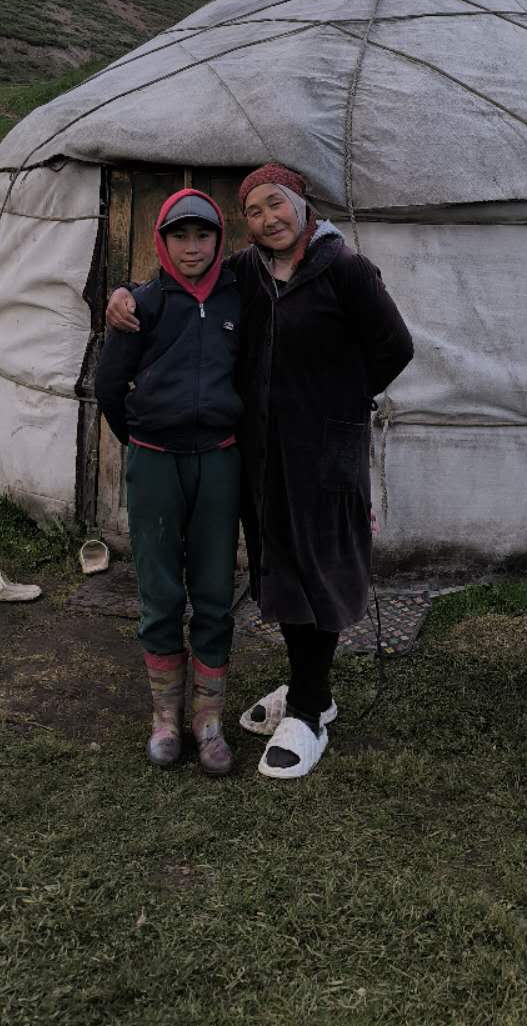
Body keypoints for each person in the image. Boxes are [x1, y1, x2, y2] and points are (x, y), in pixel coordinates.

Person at [108, 162, 413, 780]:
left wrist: (340, 406)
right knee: (282, 568)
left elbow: (395, 349)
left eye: (277, 204)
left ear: (302, 204)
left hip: (323, 452)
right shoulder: (247, 270)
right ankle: (309, 690)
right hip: (263, 452)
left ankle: (306, 711)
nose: (268, 218)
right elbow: (180, 283)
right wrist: (123, 293)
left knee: (318, 569)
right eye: (253, 210)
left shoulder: (345, 269)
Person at [94, 188, 242, 776]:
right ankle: (164, 718)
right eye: (179, 236)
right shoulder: (143, 303)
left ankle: (208, 721)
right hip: (156, 458)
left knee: (213, 591)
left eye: (202, 235)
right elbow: (110, 386)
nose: (191, 247)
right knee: (159, 591)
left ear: (219, 238)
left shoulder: (241, 293)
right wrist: (142, 438)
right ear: (161, 240)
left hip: (220, 458)